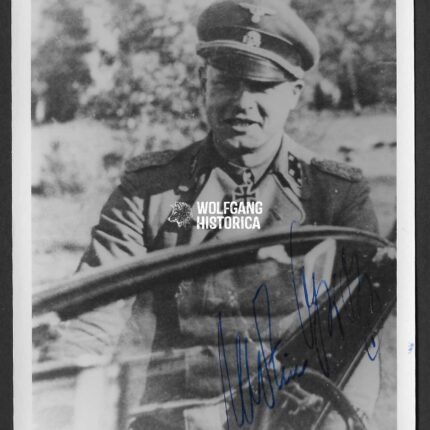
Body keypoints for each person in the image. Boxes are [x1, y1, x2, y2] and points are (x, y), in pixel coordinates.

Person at [43, 1, 382, 428]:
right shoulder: (151, 191)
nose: (241, 102)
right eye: (226, 82)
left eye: (262, 87)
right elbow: (92, 314)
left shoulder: (333, 196)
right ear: (203, 82)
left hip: (287, 418)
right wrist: (57, 405)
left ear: (294, 93)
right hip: (170, 419)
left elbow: (358, 337)